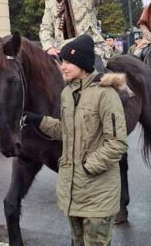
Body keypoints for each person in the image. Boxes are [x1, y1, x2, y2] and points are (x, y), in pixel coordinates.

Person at [23, 34, 127, 246]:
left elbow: (117, 143)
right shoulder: (67, 94)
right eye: (62, 61)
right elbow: (67, 130)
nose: (63, 67)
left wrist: (88, 166)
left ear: (83, 64)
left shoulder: (105, 95)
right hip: (73, 192)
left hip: (98, 193)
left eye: (69, 62)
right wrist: (38, 120)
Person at [40, 0, 120, 69]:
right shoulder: (51, 3)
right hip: (61, 52)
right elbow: (45, 28)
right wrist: (49, 48)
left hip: (92, 49)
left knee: (96, 73)